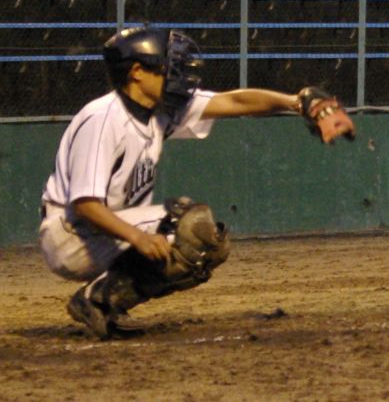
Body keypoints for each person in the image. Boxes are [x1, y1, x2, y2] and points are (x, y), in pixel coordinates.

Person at [39, 25, 354, 339]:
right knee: (190, 226)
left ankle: (103, 301)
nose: (176, 73)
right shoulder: (103, 118)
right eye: (166, 66)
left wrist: (298, 102)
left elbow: (234, 102)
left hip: (104, 229)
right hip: (72, 234)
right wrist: (138, 237)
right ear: (136, 72)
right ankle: (97, 299)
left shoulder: (158, 108)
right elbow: (86, 205)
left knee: (208, 241)